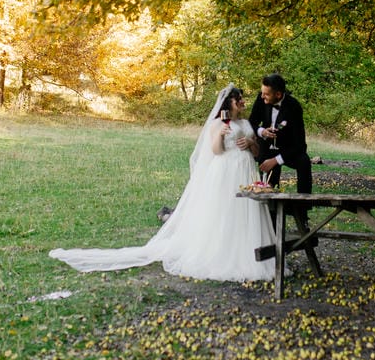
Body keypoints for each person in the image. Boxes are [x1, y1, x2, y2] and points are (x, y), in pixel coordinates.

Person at [49, 85, 277, 282]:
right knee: (226, 211)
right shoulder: (218, 124)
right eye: (239, 100)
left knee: (248, 211)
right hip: (226, 171)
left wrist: (250, 143)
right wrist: (221, 135)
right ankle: (225, 253)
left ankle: (251, 252)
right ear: (229, 103)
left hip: (246, 170)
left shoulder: (246, 123)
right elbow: (216, 151)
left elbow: (257, 152)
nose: (243, 102)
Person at [249, 73, 312, 194]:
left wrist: (276, 160)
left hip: (287, 149)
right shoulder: (261, 98)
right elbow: (251, 122)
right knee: (269, 183)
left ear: (278, 94)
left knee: (304, 161)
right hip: (266, 147)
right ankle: (269, 202)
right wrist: (262, 131)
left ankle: (303, 203)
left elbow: (300, 144)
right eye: (262, 92)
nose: (262, 96)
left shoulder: (294, 106)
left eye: (266, 94)